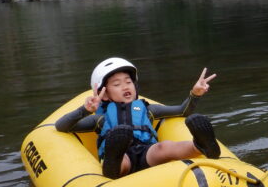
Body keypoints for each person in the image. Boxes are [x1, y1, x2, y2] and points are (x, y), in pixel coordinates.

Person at [56, 57, 221, 179]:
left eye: (128, 82)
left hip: (146, 153)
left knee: (163, 147)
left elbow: (181, 110)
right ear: (104, 94)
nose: (125, 86)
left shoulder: (147, 110)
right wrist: (85, 110)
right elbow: (62, 126)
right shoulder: (101, 118)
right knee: (122, 159)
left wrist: (195, 94)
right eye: (117, 84)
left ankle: (201, 146)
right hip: (121, 159)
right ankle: (113, 162)